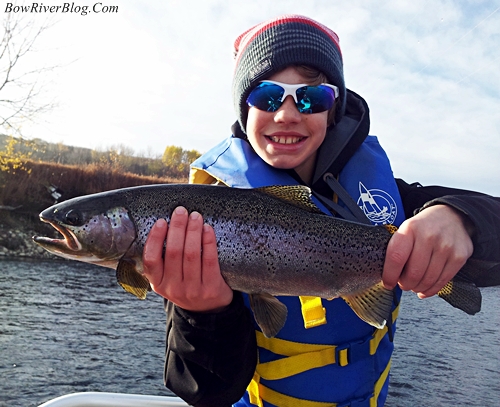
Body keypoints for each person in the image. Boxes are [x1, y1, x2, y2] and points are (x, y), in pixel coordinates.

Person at [142, 15, 500, 407]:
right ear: (245, 108)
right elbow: (208, 394)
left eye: (312, 97)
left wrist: (461, 218)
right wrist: (202, 314)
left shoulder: (393, 204)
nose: (287, 114)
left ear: (334, 111)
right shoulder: (196, 227)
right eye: (267, 96)